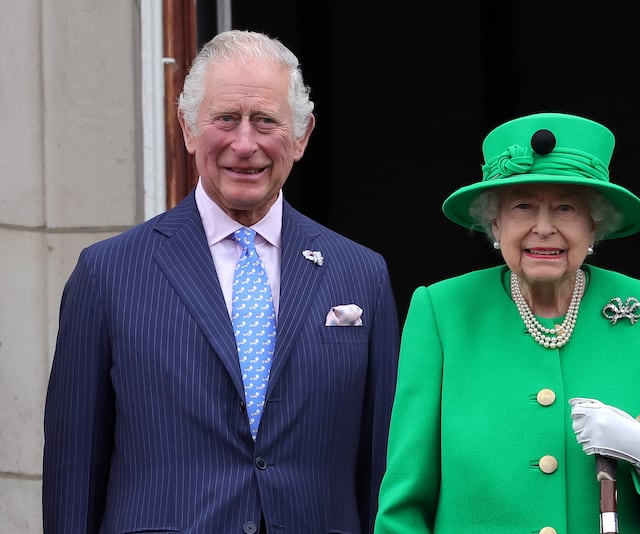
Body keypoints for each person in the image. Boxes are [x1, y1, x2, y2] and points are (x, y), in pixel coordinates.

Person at [42, 29, 400, 533]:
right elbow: (72, 473)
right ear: (188, 129)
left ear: (302, 136)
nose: (245, 143)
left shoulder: (361, 274)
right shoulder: (107, 274)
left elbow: (383, 468)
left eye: (266, 121)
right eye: (226, 119)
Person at [374, 112, 640, 533]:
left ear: (595, 225)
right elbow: (404, 507)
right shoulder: (442, 311)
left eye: (565, 208)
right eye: (523, 206)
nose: (543, 228)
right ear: (495, 224)